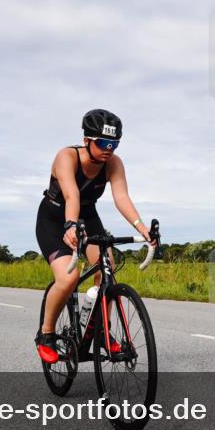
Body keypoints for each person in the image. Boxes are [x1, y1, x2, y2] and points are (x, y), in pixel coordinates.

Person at [34, 109, 154, 361]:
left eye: (114, 144)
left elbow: (121, 197)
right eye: (103, 143)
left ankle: (101, 331)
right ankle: (46, 333)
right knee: (69, 278)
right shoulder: (67, 157)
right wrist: (69, 225)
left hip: (87, 217)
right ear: (86, 140)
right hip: (54, 219)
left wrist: (141, 228)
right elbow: (72, 196)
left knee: (106, 266)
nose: (109, 149)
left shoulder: (113, 163)